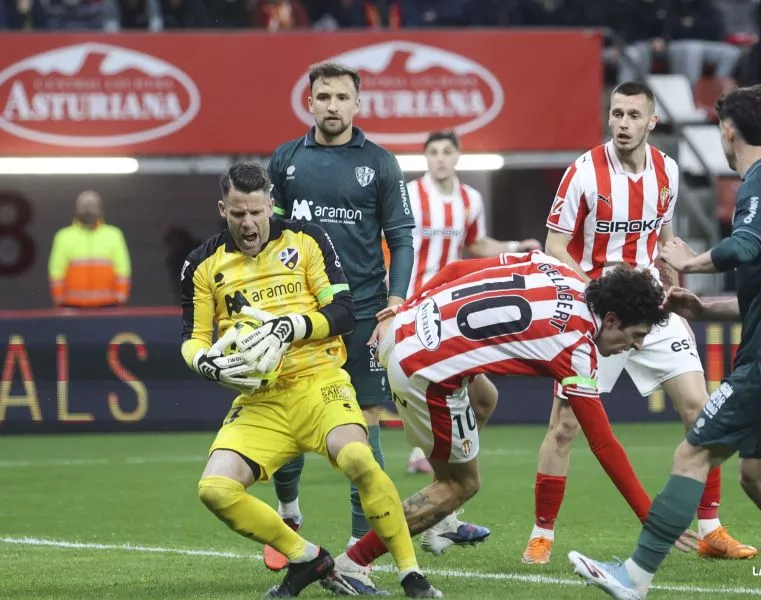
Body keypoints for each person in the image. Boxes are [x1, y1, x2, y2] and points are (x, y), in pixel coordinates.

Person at [569, 84, 761, 600]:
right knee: (759, 475)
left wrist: (691, 261)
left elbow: (745, 246)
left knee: (692, 455)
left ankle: (633, 579)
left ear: (727, 132)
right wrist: (706, 308)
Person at [322, 251, 681, 596]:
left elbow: (457, 268)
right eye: (635, 336)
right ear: (613, 320)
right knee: (460, 485)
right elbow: (603, 443)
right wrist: (650, 519)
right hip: (424, 372)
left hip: (407, 325)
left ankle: (441, 519)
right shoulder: (577, 348)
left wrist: (408, 305)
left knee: (484, 400)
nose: (634, 346)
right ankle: (353, 563)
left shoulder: (556, 269)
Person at [523, 81, 755, 566]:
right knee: (565, 428)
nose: (623, 124)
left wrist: (674, 279)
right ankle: (541, 534)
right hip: (598, 315)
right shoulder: (583, 173)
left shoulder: (667, 170)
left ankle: (711, 529)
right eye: (616, 114)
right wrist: (593, 291)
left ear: (652, 122)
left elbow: (665, 241)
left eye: (633, 115)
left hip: (652, 304)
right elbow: (555, 246)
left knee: (700, 410)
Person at [181, 162, 439, 599]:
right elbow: (192, 338)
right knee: (214, 489)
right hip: (261, 402)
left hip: (319, 383)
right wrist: (204, 363)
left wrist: (290, 327)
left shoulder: (306, 240)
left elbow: (342, 313)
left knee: (358, 459)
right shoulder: (203, 264)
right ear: (223, 208)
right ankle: (307, 558)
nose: (249, 224)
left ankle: (410, 573)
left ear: (270, 206)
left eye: (257, 213)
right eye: (238, 214)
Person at [266, 62, 415, 569]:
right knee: (288, 413)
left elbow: (400, 237)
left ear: (357, 104)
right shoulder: (284, 160)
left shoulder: (382, 163)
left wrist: (394, 304)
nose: (332, 105)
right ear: (309, 102)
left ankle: (358, 543)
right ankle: (288, 513)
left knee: (367, 419)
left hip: (366, 312)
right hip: (299, 313)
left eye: (341, 97)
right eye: (323, 96)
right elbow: (266, 237)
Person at [402, 128, 541, 554]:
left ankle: (439, 513)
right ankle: (400, 523)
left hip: (452, 314)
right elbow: (390, 243)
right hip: (413, 313)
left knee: (482, 400)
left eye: (447, 152)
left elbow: (476, 243)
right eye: (433, 152)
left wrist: (517, 247)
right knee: (470, 399)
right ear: (425, 158)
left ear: (457, 157)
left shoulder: (469, 200)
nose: (440, 159)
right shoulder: (409, 195)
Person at [48, 190, 131, 308]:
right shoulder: (64, 236)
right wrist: (59, 299)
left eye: (92, 207)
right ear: (78, 210)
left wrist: (120, 298)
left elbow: (123, 269)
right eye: (85, 207)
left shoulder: (113, 235)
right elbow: (56, 271)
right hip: (72, 305)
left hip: (108, 304)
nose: (88, 211)